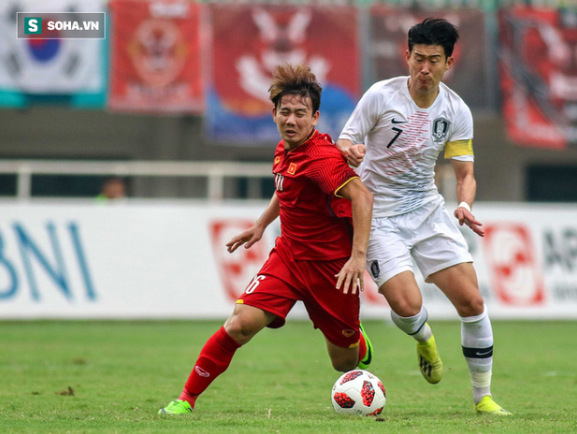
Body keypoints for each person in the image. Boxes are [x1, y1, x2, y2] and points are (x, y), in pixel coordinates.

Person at [159, 64, 374, 415]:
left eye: (300, 114)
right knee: (239, 325)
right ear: (274, 113)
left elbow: (363, 197)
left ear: (315, 117)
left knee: (344, 363)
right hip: (288, 259)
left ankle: (357, 339)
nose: (291, 120)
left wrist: (358, 257)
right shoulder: (284, 149)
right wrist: (260, 225)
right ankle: (186, 398)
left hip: (332, 269)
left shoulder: (323, 160)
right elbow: (286, 187)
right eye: (285, 112)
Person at [337, 18, 511, 416]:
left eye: (434, 60)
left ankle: (482, 397)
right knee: (408, 304)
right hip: (378, 216)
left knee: (471, 302)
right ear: (407, 56)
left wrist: (464, 205)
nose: (424, 69)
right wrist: (350, 150)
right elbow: (346, 138)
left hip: (427, 210)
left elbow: (465, 173)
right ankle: (424, 338)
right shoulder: (381, 96)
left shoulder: (456, 110)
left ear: (449, 61)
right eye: (418, 59)